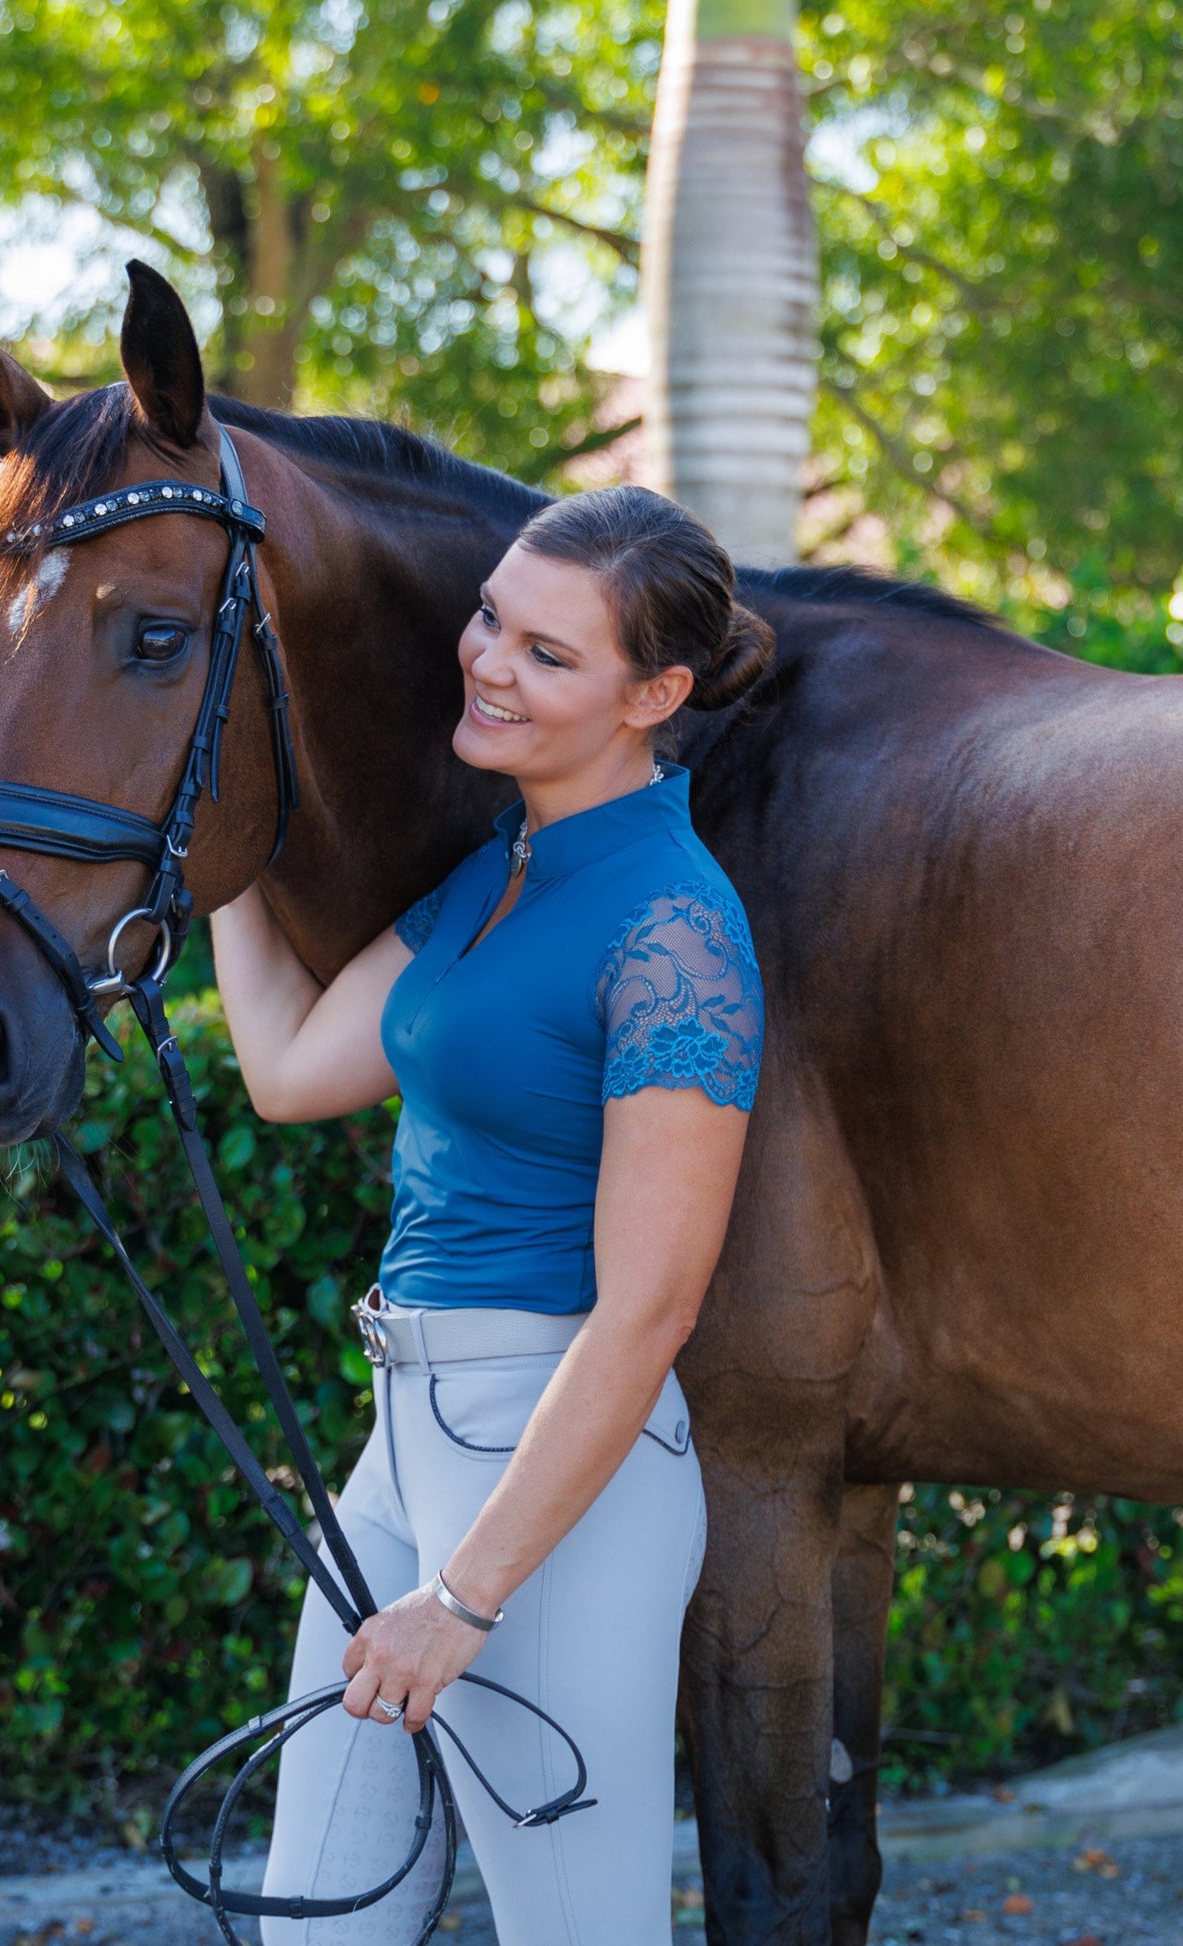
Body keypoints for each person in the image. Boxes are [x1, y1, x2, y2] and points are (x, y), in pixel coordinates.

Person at [209, 483, 772, 1944]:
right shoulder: (495, 870)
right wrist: (214, 845)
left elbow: (650, 1305)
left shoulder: (673, 928)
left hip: (556, 1484)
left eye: (547, 652)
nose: (487, 662)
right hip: (401, 1449)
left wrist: (465, 1598)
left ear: (654, 695)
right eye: (488, 619)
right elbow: (286, 1068)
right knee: (316, 1914)